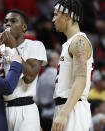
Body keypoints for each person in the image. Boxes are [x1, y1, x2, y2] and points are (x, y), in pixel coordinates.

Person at [0, 9, 47, 131]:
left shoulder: (35, 45)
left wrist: (13, 47)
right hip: (0, 110)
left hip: (24, 109)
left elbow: (29, 77)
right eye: (6, 22)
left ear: (24, 27)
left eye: (13, 21)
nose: (8, 24)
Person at [51, 0, 94, 131]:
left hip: (73, 109)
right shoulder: (70, 43)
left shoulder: (79, 41)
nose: (53, 19)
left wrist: (63, 114)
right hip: (66, 107)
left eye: (56, 14)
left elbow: (80, 81)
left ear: (67, 16)